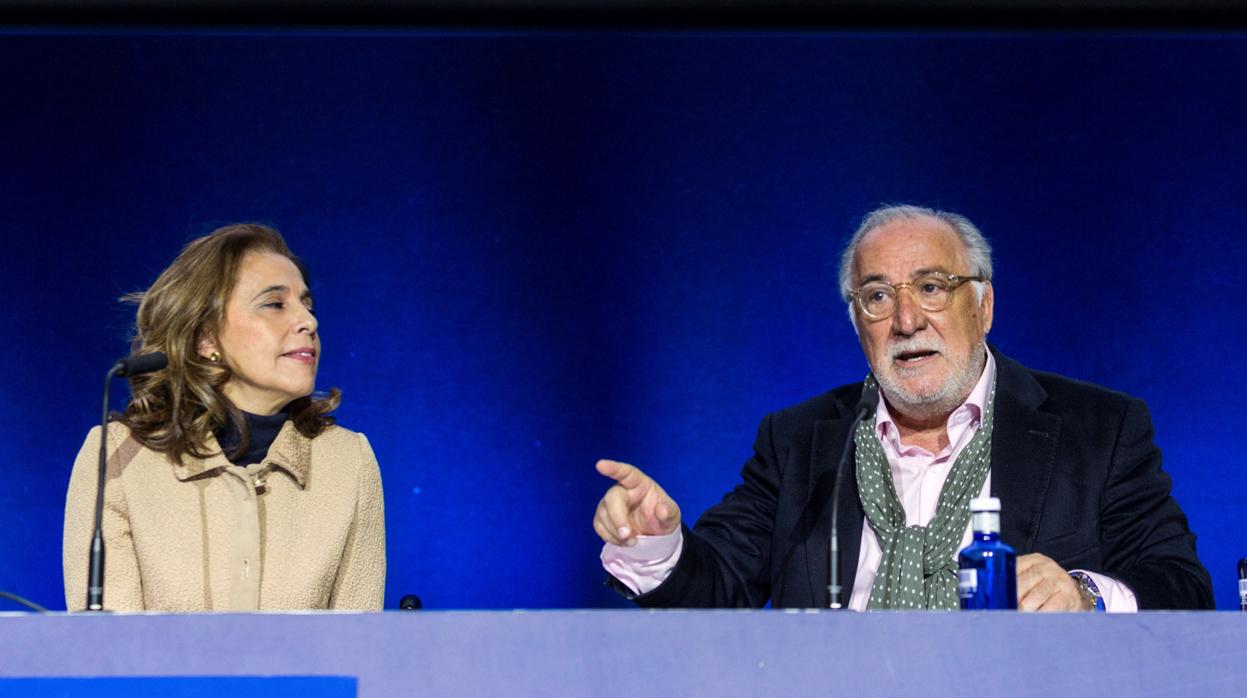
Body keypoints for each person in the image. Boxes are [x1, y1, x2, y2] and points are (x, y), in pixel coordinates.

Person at [593, 204, 1212, 611]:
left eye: (932, 287)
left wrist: (1086, 595)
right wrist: (657, 545)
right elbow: (720, 584)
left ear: (984, 306)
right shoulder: (801, 441)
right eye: (878, 296)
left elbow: (1183, 587)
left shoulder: (1097, 430)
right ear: (857, 324)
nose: (907, 320)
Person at [63, 224, 385, 611]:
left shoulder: (348, 462)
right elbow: (111, 659)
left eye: (308, 305)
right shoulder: (118, 457)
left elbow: (354, 652)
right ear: (206, 338)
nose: (308, 322)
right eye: (275, 304)